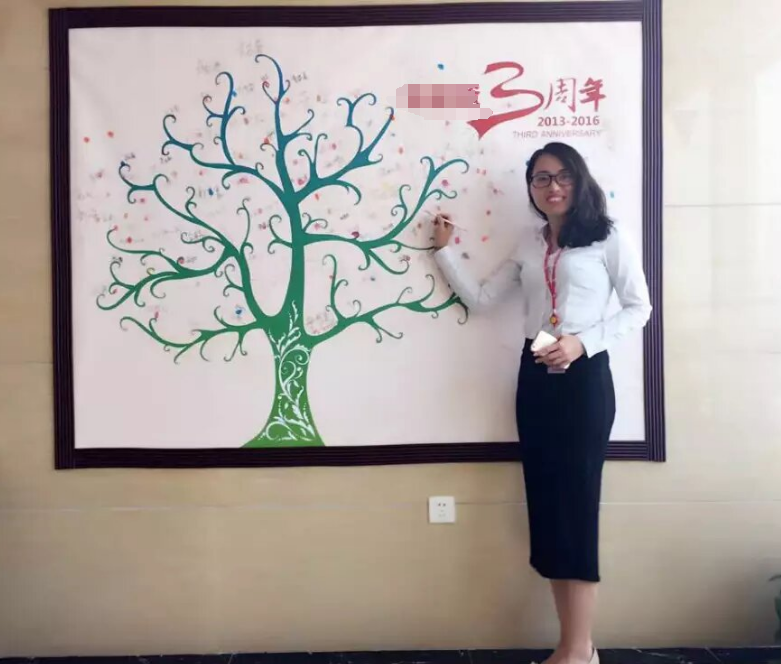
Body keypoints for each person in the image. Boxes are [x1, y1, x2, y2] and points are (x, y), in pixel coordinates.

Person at [431, 142, 652, 664]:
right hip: (535, 379)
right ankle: (573, 647)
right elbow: (482, 300)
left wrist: (582, 342)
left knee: (576, 508)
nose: (553, 187)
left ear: (580, 179)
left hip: (583, 380)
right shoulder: (530, 244)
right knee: (549, 508)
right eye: (541, 179)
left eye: (562, 176)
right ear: (531, 188)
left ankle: (578, 650)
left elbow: (638, 307)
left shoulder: (608, 236)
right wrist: (444, 251)